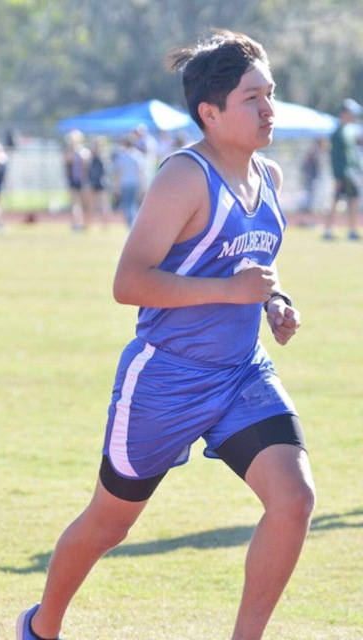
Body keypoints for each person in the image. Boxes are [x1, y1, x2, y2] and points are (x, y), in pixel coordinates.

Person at [16, 30, 315, 640]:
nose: (269, 109)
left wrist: (275, 302)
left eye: (270, 93)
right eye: (252, 98)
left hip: (241, 373)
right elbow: (129, 283)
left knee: (294, 499)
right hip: (166, 378)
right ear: (210, 113)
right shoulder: (184, 176)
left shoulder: (270, 175)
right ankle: (40, 627)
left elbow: (254, 267)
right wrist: (231, 293)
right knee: (110, 523)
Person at [323, 98, 363, 240]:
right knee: (339, 200)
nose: (354, 116)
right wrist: (337, 176)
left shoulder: (349, 131)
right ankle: (329, 230)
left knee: (352, 200)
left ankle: (350, 230)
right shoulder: (338, 133)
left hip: (351, 173)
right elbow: (335, 157)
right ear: (345, 112)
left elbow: (353, 155)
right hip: (344, 174)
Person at [111, 134, 145, 227]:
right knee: (134, 203)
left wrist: (116, 186)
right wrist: (142, 185)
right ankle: (133, 223)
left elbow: (117, 173)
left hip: (124, 183)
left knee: (127, 204)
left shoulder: (121, 156)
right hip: (135, 182)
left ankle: (130, 223)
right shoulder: (138, 155)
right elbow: (140, 172)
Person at [63, 129, 91, 231]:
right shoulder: (83, 151)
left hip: (78, 180)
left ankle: (78, 224)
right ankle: (80, 223)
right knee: (80, 204)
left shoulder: (76, 152)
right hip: (81, 181)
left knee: (78, 204)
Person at [86, 136, 112, 228]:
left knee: (96, 204)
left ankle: (89, 224)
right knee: (102, 204)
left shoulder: (96, 156)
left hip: (96, 181)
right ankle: (103, 224)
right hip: (101, 181)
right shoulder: (104, 156)